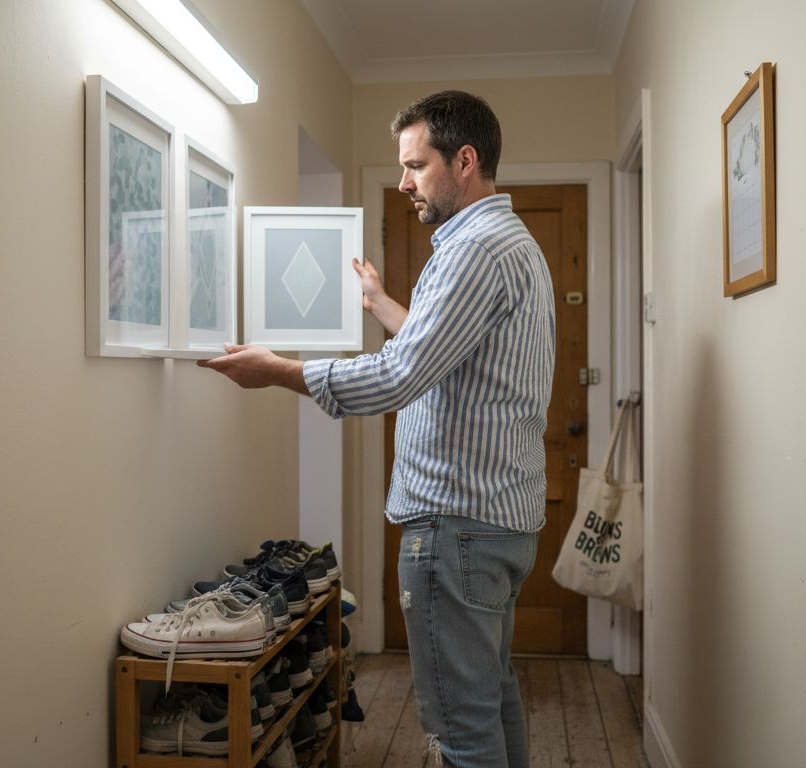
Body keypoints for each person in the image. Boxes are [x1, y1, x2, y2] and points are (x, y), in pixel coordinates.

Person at [199, 90, 554, 768]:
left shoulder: (472, 250)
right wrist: (382, 303)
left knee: (460, 726)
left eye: (416, 166)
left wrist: (278, 371)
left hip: (455, 526)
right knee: (491, 695)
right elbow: (448, 353)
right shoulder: (514, 244)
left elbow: (399, 375)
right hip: (497, 522)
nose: (404, 183)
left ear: (465, 161)